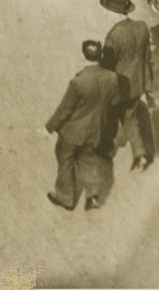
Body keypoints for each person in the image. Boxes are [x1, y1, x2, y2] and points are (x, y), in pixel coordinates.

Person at [45, 40, 121, 213]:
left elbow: (64, 110)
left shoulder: (78, 82)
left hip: (72, 133)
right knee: (88, 160)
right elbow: (114, 102)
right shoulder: (112, 78)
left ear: (83, 55)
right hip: (96, 132)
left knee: (65, 160)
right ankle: (93, 194)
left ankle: (65, 197)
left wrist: (48, 128)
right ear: (100, 56)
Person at [101, 0, 154, 172]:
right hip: (136, 84)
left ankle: (105, 151)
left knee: (109, 118)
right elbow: (147, 56)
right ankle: (141, 156)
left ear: (112, 12)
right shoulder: (141, 27)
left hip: (118, 87)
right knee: (130, 118)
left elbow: (107, 67)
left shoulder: (113, 36)